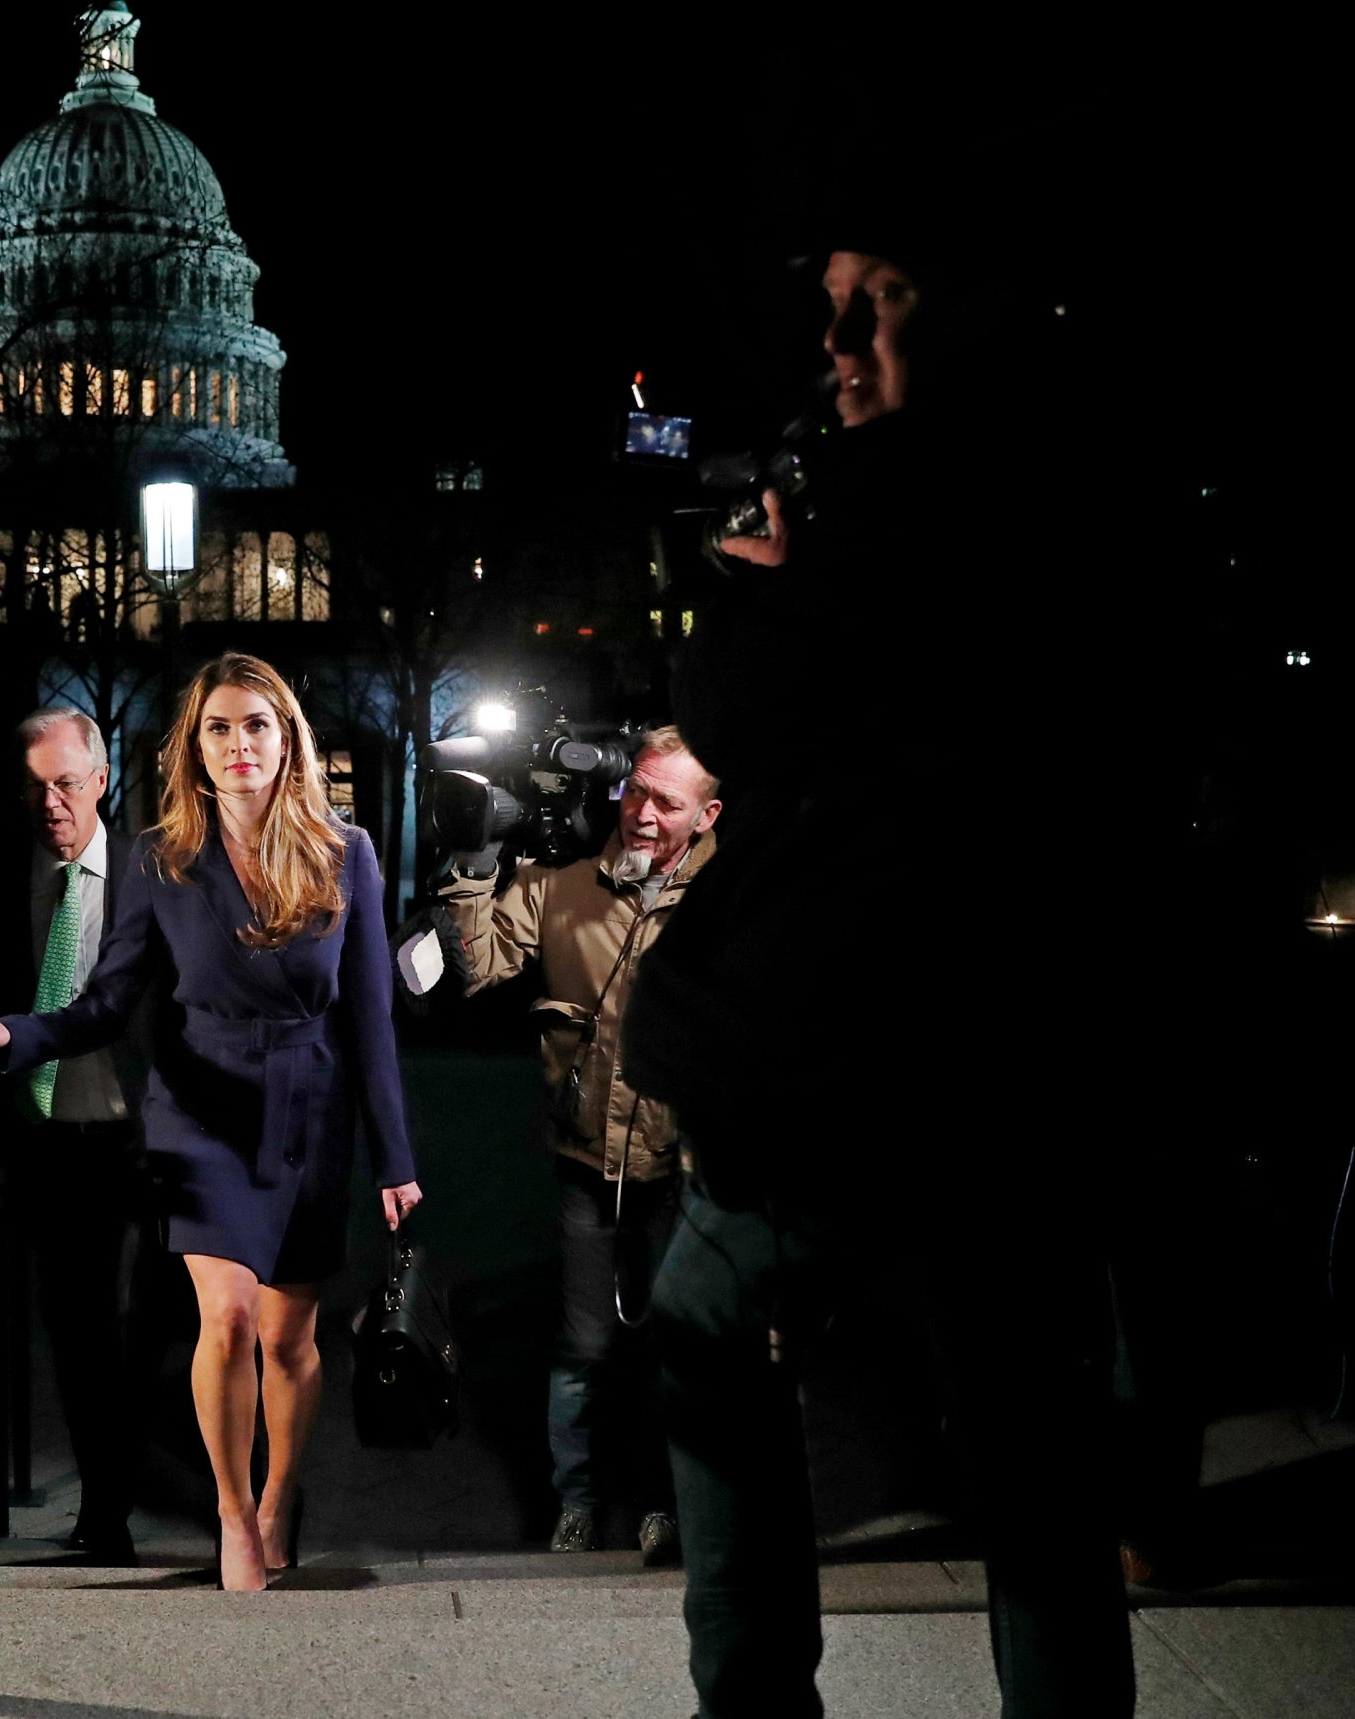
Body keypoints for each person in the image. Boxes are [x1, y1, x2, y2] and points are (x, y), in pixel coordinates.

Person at [622, 207, 1138, 1713]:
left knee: (712, 1327)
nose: (840, 343)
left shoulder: (907, 519)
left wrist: (761, 586)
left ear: (973, 315)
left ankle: (758, 1695)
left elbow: (753, 726)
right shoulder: (1067, 505)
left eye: (883, 301)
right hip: (1007, 1062)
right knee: (1035, 1466)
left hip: (872, 1065)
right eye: (837, 305)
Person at [0, 652, 424, 1592]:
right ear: (193, 747)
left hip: (308, 1117)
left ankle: (278, 1497)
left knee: (289, 1338)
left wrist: (395, 1157)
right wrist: (13, 1032)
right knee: (224, 1321)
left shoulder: (345, 851)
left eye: (256, 726)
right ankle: (234, 1514)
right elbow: (106, 1004)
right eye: (219, 729)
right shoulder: (160, 857)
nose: (238, 746)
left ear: (287, 739)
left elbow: (370, 1021)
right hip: (199, 1114)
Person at [433, 726, 719, 1561]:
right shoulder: (563, 885)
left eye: (666, 802)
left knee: (680, 1344)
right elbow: (475, 968)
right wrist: (475, 866)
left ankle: (670, 1506)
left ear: (706, 816)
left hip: (688, 1170)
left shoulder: (727, 896)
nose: (641, 813)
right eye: (635, 791)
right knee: (585, 1346)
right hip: (587, 1160)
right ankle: (578, 1505)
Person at [0, 705, 179, 1565]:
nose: (52, 804)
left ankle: (138, 1476)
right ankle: (105, 1506)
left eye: (68, 784)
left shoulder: (156, 870)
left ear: (102, 779)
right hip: (45, 1135)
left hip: (140, 1130)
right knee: (76, 1324)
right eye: (36, 788)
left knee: (148, 1319)